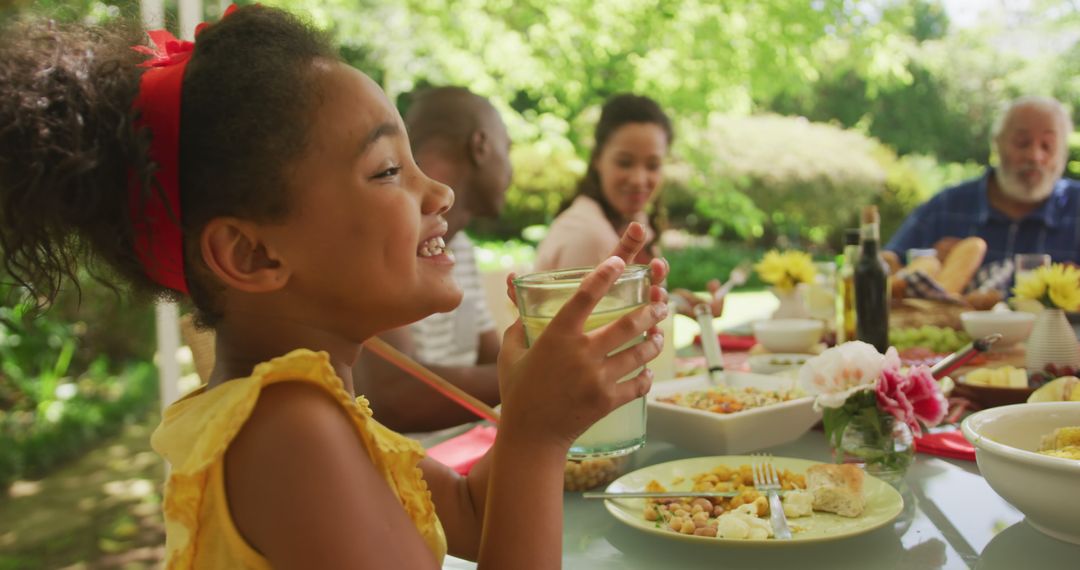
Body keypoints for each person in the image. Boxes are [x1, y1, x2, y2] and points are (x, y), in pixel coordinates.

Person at [0, 6, 669, 568]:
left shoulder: (320, 410)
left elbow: (468, 509)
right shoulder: (286, 431)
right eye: (386, 171)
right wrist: (535, 436)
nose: (438, 191)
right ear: (253, 254)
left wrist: (533, 395)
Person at [353, 86, 510, 433]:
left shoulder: (462, 248)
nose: (510, 170)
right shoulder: (382, 242)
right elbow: (396, 396)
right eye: (507, 149)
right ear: (480, 146)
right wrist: (538, 375)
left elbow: (495, 363)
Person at [535, 93, 725, 316]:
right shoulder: (589, 234)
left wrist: (675, 303)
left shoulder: (632, 222)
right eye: (624, 163)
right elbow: (585, 336)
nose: (638, 179)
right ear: (598, 159)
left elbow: (621, 312)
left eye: (652, 165)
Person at [884, 96, 1080, 291]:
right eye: (1022, 143)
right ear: (997, 144)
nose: (1034, 156)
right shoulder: (945, 208)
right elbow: (884, 267)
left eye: (1047, 146)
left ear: (1063, 153)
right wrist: (929, 266)